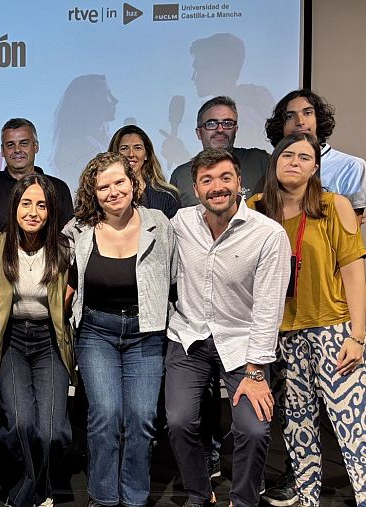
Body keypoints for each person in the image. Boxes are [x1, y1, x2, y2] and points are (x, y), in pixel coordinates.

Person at [166, 148, 291, 507]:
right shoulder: (181, 224)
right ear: (195, 187)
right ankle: (198, 492)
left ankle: (244, 499)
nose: (217, 187)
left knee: (253, 428)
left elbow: (269, 308)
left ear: (240, 183)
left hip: (242, 345)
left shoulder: (268, 235)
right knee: (178, 421)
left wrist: (255, 372)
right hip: (188, 337)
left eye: (224, 178)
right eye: (207, 180)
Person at [249, 133, 366, 507]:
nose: (294, 161)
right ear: (275, 160)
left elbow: (353, 273)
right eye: (287, 154)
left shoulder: (335, 206)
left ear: (315, 167)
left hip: (332, 327)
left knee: (352, 423)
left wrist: (358, 335)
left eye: (304, 156)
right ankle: (306, 494)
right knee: (297, 422)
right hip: (281, 333)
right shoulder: (255, 208)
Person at [65, 152, 175, 507]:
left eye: (119, 182)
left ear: (133, 183)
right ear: (92, 193)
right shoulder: (79, 230)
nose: (113, 191)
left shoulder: (159, 223)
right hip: (97, 332)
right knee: (105, 416)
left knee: (142, 418)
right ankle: (103, 496)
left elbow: (173, 278)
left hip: (146, 333)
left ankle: (135, 498)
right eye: (103, 186)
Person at [0, 174, 75, 507]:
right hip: (11, 342)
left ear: (51, 211)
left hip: (48, 343)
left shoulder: (64, 248)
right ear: (14, 207)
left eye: (41, 205)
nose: (33, 212)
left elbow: (73, 294)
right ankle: (38, 491)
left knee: (52, 431)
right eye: (26, 203)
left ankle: (27, 490)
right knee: (22, 424)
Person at [266, 89, 366, 219]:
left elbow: (351, 230)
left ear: (318, 119)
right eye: (290, 116)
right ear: (281, 125)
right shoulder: (274, 164)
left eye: (307, 113)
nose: (300, 121)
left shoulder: (351, 166)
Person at [0, 118, 74, 235]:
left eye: (24, 143)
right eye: (10, 145)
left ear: (36, 147)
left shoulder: (58, 188)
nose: (17, 150)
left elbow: (67, 237)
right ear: (2, 151)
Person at [170, 96, 270, 208]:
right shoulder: (181, 176)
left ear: (236, 130)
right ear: (199, 133)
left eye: (227, 123)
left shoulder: (260, 161)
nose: (220, 129)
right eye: (211, 124)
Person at [108, 125, 180, 218]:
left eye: (137, 148)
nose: (131, 154)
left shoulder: (167, 195)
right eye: (124, 148)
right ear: (114, 155)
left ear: (146, 155)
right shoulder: (103, 195)